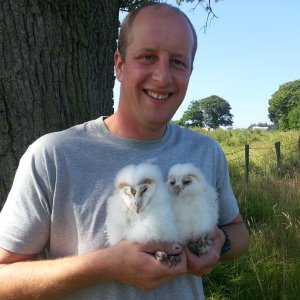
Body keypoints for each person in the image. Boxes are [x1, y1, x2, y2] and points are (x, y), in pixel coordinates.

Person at [0, 3, 249, 299]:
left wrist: (221, 243)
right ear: (119, 65)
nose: (162, 76)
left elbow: (237, 231)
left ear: (190, 72)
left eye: (178, 62)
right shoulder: (52, 156)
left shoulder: (206, 151)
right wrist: (103, 266)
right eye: (147, 57)